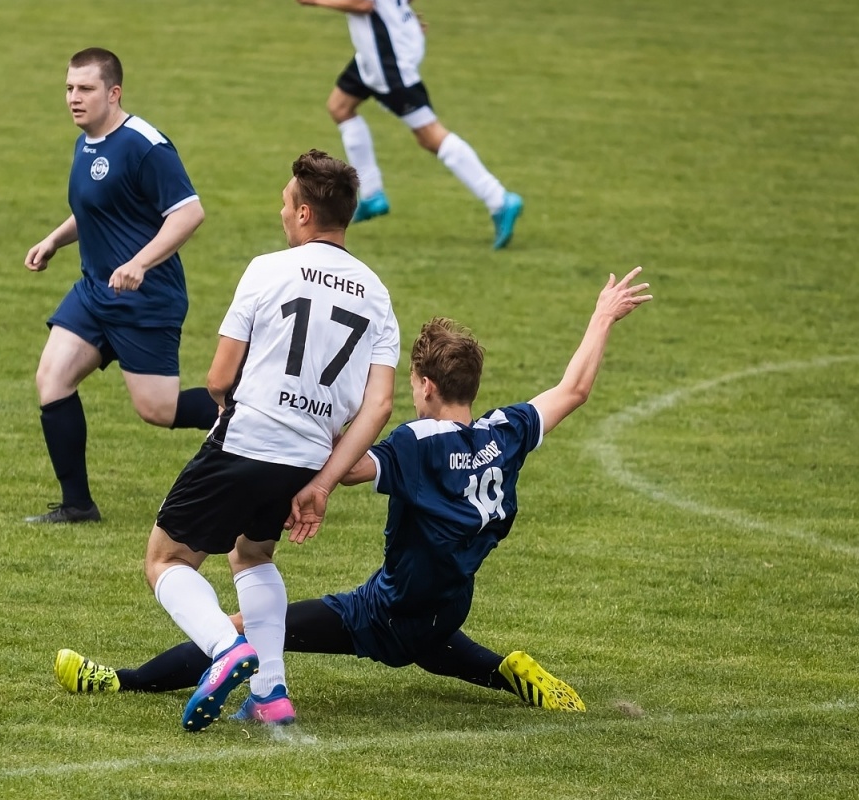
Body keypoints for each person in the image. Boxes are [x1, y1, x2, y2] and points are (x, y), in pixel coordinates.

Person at [55, 269, 655, 719]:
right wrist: (601, 317)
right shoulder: (508, 432)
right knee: (434, 644)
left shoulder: (417, 444)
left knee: (245, 626)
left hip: (383, 611)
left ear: (423, 385)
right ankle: (509, 671)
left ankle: (121, 680)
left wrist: (295, 414)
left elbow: (346, 467)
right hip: (446, 608)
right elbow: (572, 389)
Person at [141, 150, 399, 732]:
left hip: (246, 439)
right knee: (251, 554)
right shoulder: (377, 293)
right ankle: (272, 692)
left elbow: (218, 377)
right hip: (308, 459)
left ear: (306, 213)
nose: (281, 212)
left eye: (286, 204)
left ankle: (224, 648)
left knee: (166, 559)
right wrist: (326, 481)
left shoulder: (266, 269)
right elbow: (379, 404)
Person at [22, 48, 218, 524]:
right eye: (69, 88)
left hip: (144, 298)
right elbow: (98, 207)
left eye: (85, 89)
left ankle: (248, 411)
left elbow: (189, 213)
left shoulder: (145, 145)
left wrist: (141, 263)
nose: (73, 98)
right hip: (95, 291)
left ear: (114, 93)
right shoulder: (87, 141)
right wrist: (54, 240)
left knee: (157, 409)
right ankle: (77, 506)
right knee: (52, 379)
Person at [292, 0, 523, 249]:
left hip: (386, 56)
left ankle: (499, 199)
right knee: (340, 106)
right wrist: (399, 12)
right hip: (382, 49)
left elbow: (363, 1)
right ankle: (371, 195)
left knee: (429, 134)